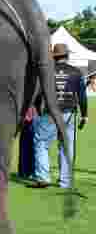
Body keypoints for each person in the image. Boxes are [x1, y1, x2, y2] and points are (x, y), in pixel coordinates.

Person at [29, 43, 88, 188]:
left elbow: (37, 93)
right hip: (69, 113)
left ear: (53, 56)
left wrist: (37, 108)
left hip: (50, 113)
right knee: (66, 146)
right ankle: (65, 181)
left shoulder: (46, 71)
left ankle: (43, 177)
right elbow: (82, 96)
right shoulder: (77, 72)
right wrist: (84, 115)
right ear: (67, 55)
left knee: (41, 143)